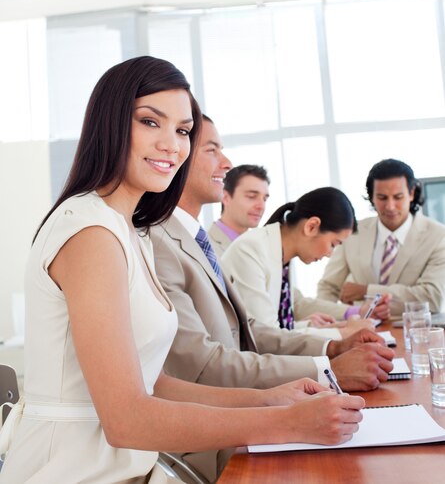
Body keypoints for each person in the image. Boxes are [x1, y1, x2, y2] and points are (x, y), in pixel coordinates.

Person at [0, 57, 366, 484]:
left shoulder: (127, 231)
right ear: (111, 123)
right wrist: (288, 422)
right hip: (76, 471)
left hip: (127, 467)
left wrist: (271, 400)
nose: (172, 145)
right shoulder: (90, 234)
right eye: (150, 122)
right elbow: (127, 419)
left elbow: (153, 383)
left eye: (182, 130)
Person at [150, 115, 393, 480]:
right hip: (215, 433)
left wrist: (335, 347)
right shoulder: (163, 241)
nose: (227, 163)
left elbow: (251, 331)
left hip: (242, 409)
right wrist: (327, 367)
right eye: (211, 149)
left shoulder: (201, 241)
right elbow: (210, 361)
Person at [221, 189, 391, 335]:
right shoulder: (252, 250)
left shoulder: (279, 252)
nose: (329, 254)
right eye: (333, 244)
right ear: (311, 226)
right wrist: (341, 333)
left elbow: (285, 318)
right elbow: (266, 338)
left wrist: (319, 328)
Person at [317, 158, 445, 318]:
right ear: (371, 197)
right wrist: (325, 322)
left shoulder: (438, 236)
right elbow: (328, 287)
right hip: (362, 330)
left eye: (398, 197)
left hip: (414, 331)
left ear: (411, 194)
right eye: (382, 198)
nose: (390, 206)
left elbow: (432, 298)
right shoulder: (353, 232)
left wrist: (366, 291)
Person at [207, 164, 270, 258]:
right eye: (251, 196)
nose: (261, 206)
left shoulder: (263, 247)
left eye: (264, 199)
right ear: (226, 197)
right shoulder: (205, 248)